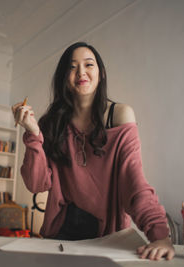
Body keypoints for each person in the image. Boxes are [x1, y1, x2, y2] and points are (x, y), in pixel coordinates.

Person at [12, 42, 175, 260]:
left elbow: (133, 180)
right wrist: (33, 134)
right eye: (72, 67)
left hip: (107, 236)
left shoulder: (119, 115)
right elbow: (36, 184)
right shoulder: (52, 122)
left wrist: (159, 235)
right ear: (64, 77)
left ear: (102, 73)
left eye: (89, 64)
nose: (81, 72)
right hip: (60, 234)